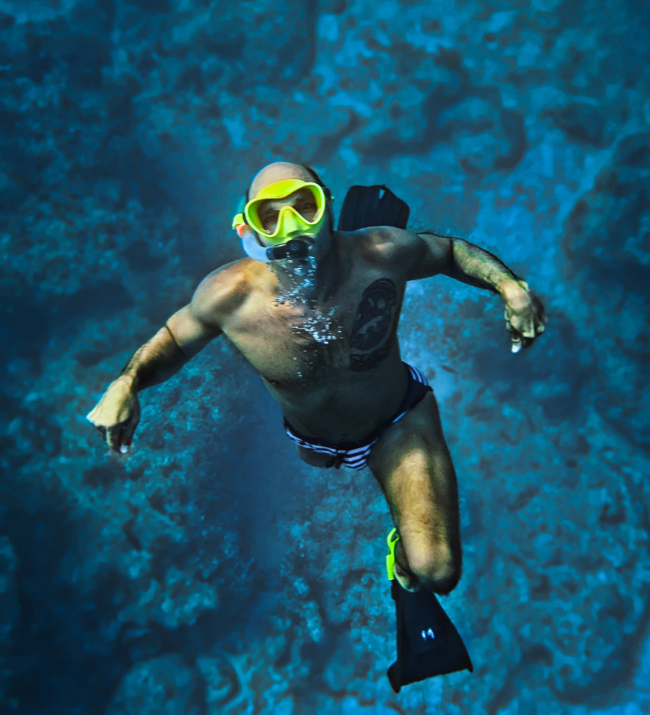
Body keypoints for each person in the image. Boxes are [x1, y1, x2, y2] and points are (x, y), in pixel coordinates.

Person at [87, 160, 546, 601]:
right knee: (320, 462)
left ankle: (402, 561)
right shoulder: (229, 297)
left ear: (326, 207)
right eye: (270, 215)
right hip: (311, 436)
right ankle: (346, 464)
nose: (291, 225)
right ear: (249, 230)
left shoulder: (382, 253)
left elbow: (448, 252)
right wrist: (128, 382)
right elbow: (173, 338)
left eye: (303, 205)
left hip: (397, 420)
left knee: (437, 572)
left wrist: (508, 287)